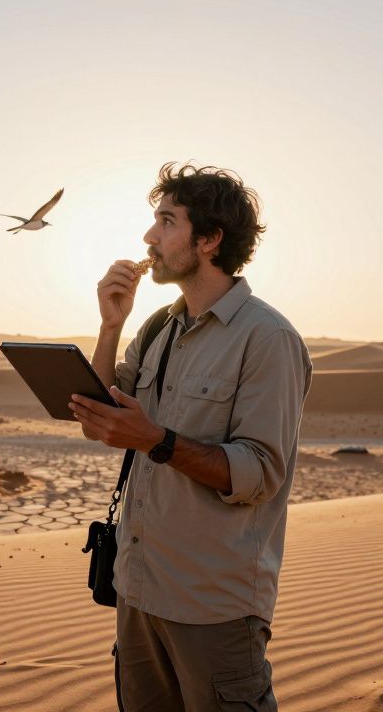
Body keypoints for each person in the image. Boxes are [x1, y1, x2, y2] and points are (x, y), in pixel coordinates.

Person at [69, 162, 312, 711]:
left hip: (214, 609)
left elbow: (258, 474)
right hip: (137, 593)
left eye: (165, 221)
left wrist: (156, 438)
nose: (149, 237)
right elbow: (100, 419)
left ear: (209, 239)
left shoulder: (267, 338)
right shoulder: (158, 327)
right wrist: (110, 325)